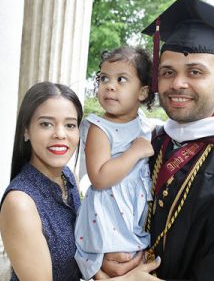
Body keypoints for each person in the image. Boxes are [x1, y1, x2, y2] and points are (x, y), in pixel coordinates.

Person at [100, 0, 214, 280]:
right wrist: (104, 256)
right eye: (168, 72)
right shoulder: (148, 143)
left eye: (195, 72)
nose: (178, 83)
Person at [74, 46, 156, 280]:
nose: (110, 85)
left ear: (142, 93)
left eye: (121, 79)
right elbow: (99, 178)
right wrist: (134, 152)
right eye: (104, 79)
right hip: (108, 213)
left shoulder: (142, 123)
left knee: (131, 263)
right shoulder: (100, 128)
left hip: (130, 210)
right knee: (118, 262)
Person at [0, 82, 83, 281]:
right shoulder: (20, 203)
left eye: (70, 125)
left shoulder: (68, 177)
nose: (60, 134)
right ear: (26, 130)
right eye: (46, 124)